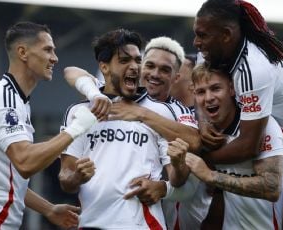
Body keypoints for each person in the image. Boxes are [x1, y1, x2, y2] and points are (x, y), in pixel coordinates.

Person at [193, 0, 283, 229]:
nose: (196, 43)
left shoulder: (254, 67)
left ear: (226, 34)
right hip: (256, 137)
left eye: (202, 35)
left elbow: (249, 146)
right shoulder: (209, 53)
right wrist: (203, 121)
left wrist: (199, 161)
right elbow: (199, 87)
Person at [0, 22, 97, 230]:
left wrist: (48, 209)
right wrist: (75, 129)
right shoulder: (5, 98)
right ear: (23, 52)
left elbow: (7, 179)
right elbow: (25, 163)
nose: (55, 58)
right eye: (48, 50)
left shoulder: (16, 101)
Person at [58, 29, 190, 230]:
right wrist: (76, 176)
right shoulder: (79, 111)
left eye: (138, 60)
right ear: (104, 67)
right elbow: (66, 179)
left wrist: (179, 164)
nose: (134, 67)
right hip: (90, 224)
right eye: (124, 60)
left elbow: (177, 179)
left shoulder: (159, 111)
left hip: (141, 225)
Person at [184, 64, 283, 229]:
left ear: (232, 88)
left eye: (216, 88)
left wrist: (210, 176)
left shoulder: (263, 126)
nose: (208, 98)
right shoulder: (205, 133)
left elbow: (271, 187)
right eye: (201, 92)